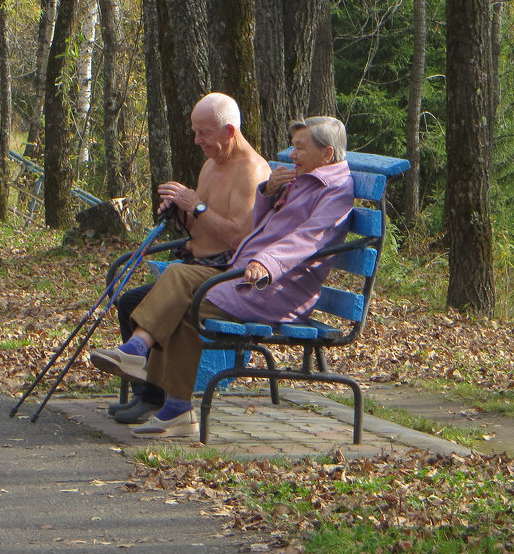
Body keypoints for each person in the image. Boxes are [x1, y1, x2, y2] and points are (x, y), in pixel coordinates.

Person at [90, 116, 355, 438]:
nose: (292, 155)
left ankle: (153, 378)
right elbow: (260, 229)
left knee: (180, 303)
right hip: (246, 275)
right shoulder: (303, 180)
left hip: (274, 288)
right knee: (178, 279)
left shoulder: (334, 191)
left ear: (326, 154)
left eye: (299, 148)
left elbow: (309, 239)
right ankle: (157, 383)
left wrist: (266, 263)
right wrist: (269, 195)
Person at [106, 93, 271, 424]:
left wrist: (195, 205)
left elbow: (238, 237)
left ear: (228, 131)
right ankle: (147, 393)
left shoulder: (252, 172)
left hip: (225, 274)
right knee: (130, 303)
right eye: (195, 132)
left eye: (204, 133)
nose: (197, 141)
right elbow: (202, 223)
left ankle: (151, 382)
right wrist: (181, 211)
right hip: (197, 265)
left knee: (171, 297)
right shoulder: (211, 164)